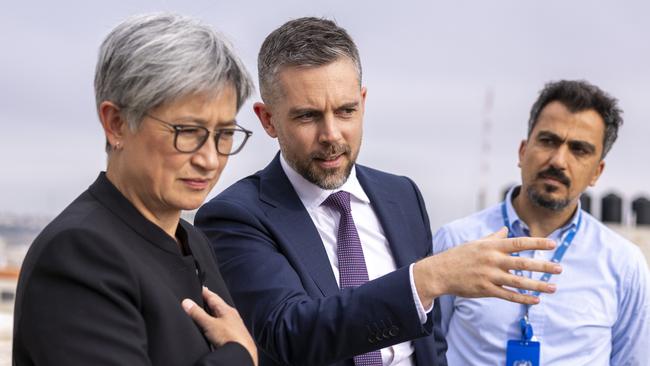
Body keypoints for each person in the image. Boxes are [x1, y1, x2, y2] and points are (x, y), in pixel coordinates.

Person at [195, 17, 563, 366]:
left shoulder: (401, 196)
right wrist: (426, 279)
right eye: (307, 116)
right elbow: (290, 331)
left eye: (345, 111)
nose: (331, 135)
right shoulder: (234, 216)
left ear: (364, 102)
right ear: (268, 120)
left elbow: (428, 341)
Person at [13, 13, 258, 366]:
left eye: (224, 134)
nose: (210, 159)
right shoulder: (78, 254)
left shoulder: (193, 240)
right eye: (188, 131)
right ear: (116, 124)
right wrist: (239, 354)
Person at [433, 80, 650, 365]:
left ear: (597, 172)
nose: (559, 160)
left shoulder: (623, 264)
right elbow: (426, 350)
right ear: (523, 151)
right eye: (548, 141)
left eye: (579, 150)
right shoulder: (456, 241)